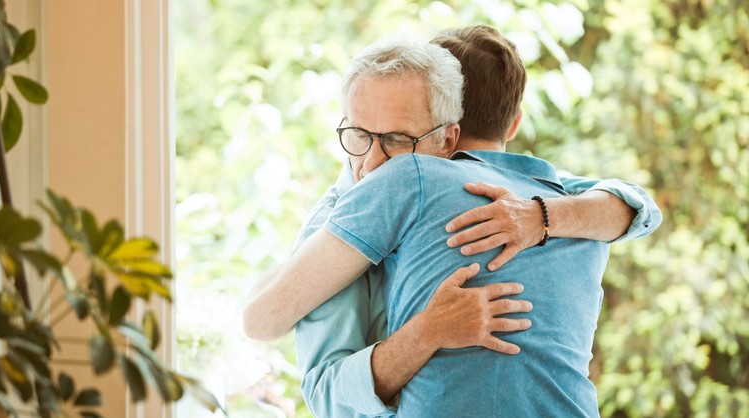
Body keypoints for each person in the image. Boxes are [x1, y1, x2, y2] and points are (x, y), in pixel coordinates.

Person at [245, 28, 661, 417]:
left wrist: (539, 217)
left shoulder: (416, 179)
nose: (373, 164)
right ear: (514, 124)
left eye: (397, 140)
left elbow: (271, 334)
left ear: (446, 134)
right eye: (358, 135)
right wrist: (544, 216)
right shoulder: (576, 211)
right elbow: (634, 206)